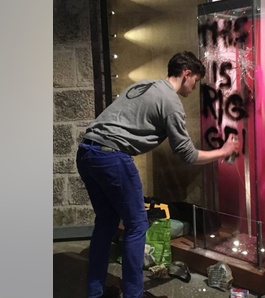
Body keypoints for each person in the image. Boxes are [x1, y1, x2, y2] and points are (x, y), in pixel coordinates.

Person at [76, 51, 239, 298]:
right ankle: (134, 294)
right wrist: (223, 151)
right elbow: (186, 154)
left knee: (106, 221)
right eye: (195, 80)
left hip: (87, 152)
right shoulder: (170, 101)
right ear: (186, 74)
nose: (194, 87)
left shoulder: (145, 86)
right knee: (137, 224)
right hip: (112, 156)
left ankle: (95, 293)